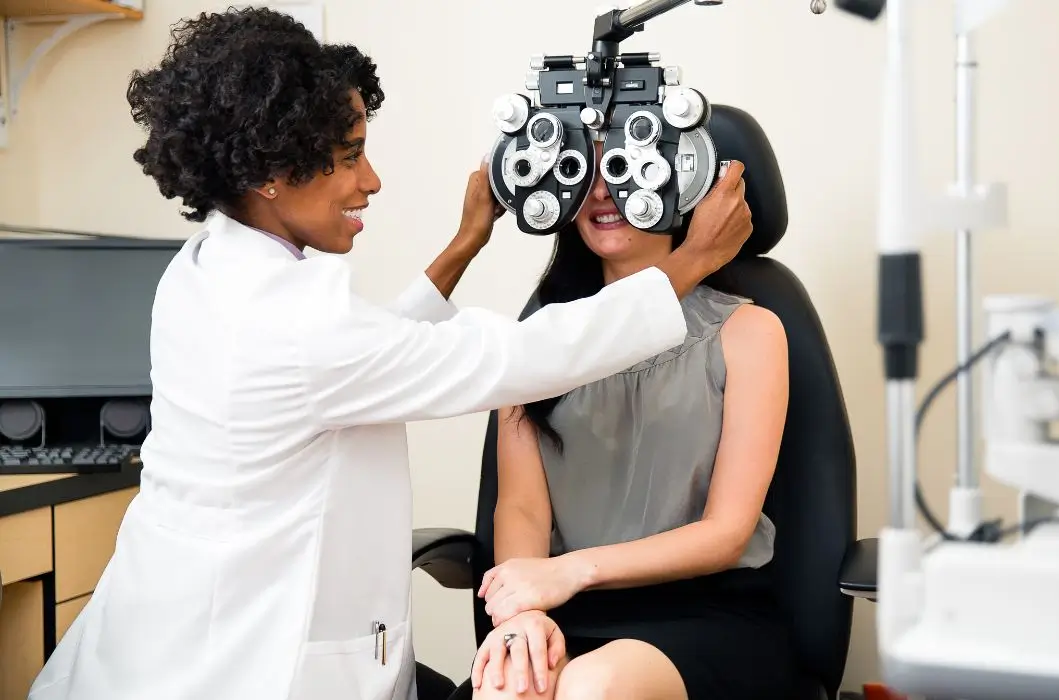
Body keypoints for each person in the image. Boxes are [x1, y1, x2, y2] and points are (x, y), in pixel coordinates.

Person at [26, 8, 754, 700]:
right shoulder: (292, 325)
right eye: (348, 158)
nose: (370, 181)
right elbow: (505, 358)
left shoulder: (206, 270)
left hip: (156, 639)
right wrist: (687, 264)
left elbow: (368, 358)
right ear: (269, 172)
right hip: (245, 665)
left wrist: (465, 244)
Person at [462, 145, 797, 700]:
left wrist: (569, 571)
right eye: (582, 172)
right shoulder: (539, 342)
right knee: (507, 687)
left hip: (705, 615)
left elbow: (726, 533)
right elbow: (520, 506)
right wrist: (521, 612)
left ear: (680, 181)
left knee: (593, 687)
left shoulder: (750, 332)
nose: (600, 190)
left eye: (621, 167)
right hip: (565, 608)